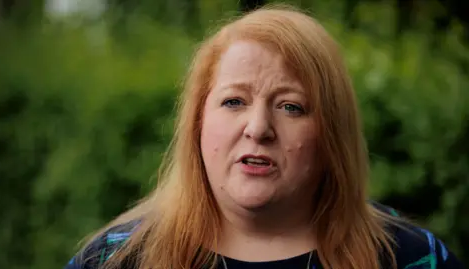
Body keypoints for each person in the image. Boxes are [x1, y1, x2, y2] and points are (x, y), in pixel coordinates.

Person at [64, 4, 465, 269]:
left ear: (332, 134)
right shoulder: (115, 259)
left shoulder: (411, 258)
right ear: (198, 122)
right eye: (234, 101)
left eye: (291, 106)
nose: (258, 128)